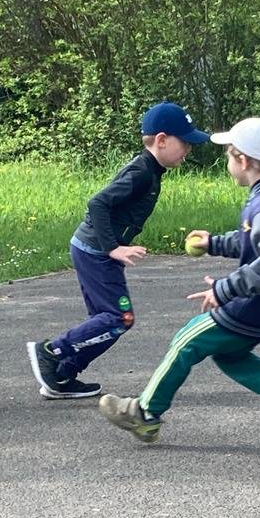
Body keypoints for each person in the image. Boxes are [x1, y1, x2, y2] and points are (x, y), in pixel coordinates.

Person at [98, 117, 260, 443]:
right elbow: (253, 242)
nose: (228, 163)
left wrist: (225, 288)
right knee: (229, 355)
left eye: (229, 156)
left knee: (186, 342)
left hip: (250, 306)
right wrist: (214, 242)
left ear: (242, 160)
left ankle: (144, 413)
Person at [27, 101, 210, 399]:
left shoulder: (151, 170)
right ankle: (50, 351)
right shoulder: (141, 173)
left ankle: (61, 375)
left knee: (107, 321)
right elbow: (97, 203)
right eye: (185, 142)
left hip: (92, 250)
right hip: (95, 252)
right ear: (162, 140)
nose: (188, 149)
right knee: (118, 319)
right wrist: (113, 248)